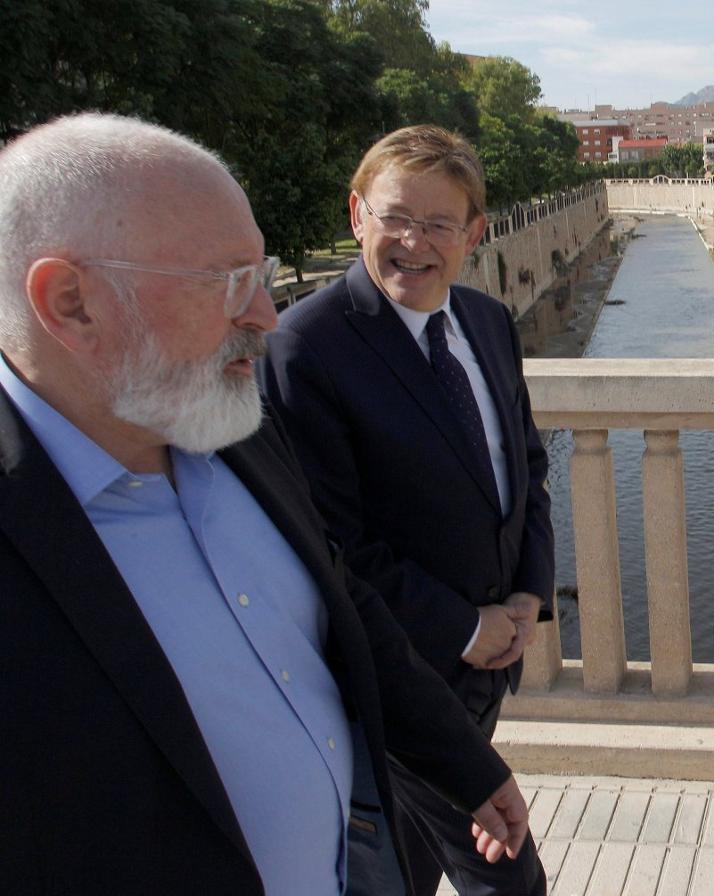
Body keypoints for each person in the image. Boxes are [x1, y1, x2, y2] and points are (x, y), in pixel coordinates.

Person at [0, 112, 531, 896]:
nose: (265, 316)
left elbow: (343, 599)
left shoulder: (232, 427)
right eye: (229, 282)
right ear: (72, 302)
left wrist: (467, 765)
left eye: (262, 273)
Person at [260, 125, 553, 896]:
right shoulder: (305, 349)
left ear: (474, 234)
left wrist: (528, 593)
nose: (412, 244)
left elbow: (525, 468)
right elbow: (329, 545)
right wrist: (464, 626)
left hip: (490, 670)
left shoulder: (488, 322)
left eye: (438, 225)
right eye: (394, 217)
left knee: (408, 871)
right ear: (357, 216)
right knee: (510, 878)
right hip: (402, 683)